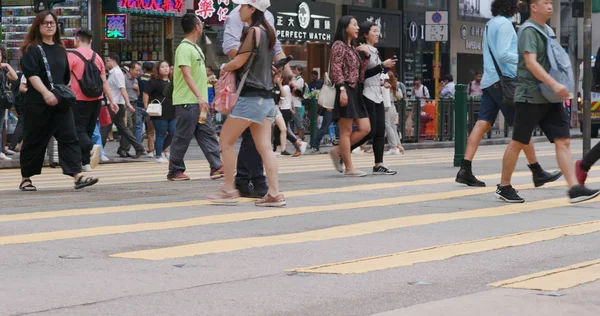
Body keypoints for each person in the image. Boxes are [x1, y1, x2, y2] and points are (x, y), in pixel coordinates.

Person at [496, 0, 599, 203]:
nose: (550, 6)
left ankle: (574, 188)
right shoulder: (528, 31)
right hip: (530, 96)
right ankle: (504, 186)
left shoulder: (546, 29)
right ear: (534, 7)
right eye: (546, 3)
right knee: (518, 142)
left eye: (551, 3)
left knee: (563, 140)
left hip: (549, 97)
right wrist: (554, 84)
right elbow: (530, 62)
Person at [456, 0, 560, 189]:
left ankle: (465, 168)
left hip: (491, 80)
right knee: (523, 126)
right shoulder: (504, 24)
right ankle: (537, 171)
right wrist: (524, 59)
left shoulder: (491, 23)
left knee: (482, 124)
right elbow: (503, 54)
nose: (520, 3)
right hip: (503, 82)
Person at [207, 0, 285, 207]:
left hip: (251, 97)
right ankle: (274, 193)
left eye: (242, 6)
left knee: (225, 141)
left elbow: (239, 61)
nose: (239, 9)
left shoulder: (254, 32)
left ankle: (228, 189)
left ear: (252, 9)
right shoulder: (268, 31)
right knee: (265, 147)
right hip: (267, 97)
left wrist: (223, 67)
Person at [18, 11, 98, 191]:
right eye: (45, 23)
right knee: (34, 140)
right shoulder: (32, 49)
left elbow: (64, 77)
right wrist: (46, 93)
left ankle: (77, 175)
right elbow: (31, 74)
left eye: (52, 23)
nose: (49, 25)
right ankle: (26, 178)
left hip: (60, 102)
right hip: (38, 103)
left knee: (69, 136)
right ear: (38, 26)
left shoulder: (61, 49)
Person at [168, 13, 223, 181]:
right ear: (196, 27)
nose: (202, 25)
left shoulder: (196, 48)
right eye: (201, 23)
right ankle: (175, 170)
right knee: (183, 136)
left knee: (207, 134)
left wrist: (207, 80)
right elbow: (186, 75)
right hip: (188, 101)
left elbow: (195, 75)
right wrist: (200, 96)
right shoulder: (183, 48)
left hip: (199, 102)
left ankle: (217, 166)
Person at [327, 15, 372, 177]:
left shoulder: (353, 48)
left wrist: (366, 57)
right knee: (345, 131)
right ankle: (349, 168)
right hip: (344, 88)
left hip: (355, 90)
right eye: (354, 24)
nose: (357, 27)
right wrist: (341, 89)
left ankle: (337, 151)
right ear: (345, 27)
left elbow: (360, 75)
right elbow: (336, 69)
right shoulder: (338, 46)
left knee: (365, 128)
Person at [68, 29, 116, 172]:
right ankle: (85, 163)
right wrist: (112, 101)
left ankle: (91, 147)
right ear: (91, 41)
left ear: (77, 40)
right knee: (88, 130)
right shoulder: (98, 58)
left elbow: (65, 78)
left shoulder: (71, 56)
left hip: (78, 99)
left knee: (77, 130)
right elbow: (104, 82)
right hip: (96, 100)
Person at [353, 20, 397, 175]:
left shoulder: (375, 51)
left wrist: (384, 70)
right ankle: (343, 151)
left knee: (380, 131)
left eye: (378, 31)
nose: (377, 34)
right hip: (367, 93)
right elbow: (362, 75)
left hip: (378, 93)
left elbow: (377, 72)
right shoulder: (361, 50)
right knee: (370, 131)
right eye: (374, 31)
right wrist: (382, 66)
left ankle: (379, 164)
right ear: (365, 34)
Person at [105, 53, 146, 158]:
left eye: (107, 60)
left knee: (106, 128)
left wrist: (127, 104)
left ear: (113, 61)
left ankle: (98, 152)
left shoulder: (117, 73)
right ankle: (138, 147)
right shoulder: (116, 73)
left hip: (115, 104)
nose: (106, 63)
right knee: (124, 128)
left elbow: (122, 89)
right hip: (117, 104)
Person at [143, 61, 175, 163]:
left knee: (173, 132)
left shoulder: (172, 81)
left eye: (167, 66)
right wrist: (146, 107)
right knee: (160, 133)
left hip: (172, 111)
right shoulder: (154, 81)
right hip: (159, 111)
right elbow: (146, 94)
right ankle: (158, 155)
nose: (165, 68)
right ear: (158, 69)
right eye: (162, 67)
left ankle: (160, 150)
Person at [0, 46, 18, 161]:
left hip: (1, 101)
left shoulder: (3, 70)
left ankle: (1, 151)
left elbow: (15, 77)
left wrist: (7, 65)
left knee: (1, 126)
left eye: (0, 55)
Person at [121, 61, 141, 157]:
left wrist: (137, 89)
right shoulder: (124, 79)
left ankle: (125, 149)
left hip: (134, 104)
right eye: (137, 70)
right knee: (128, 127)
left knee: (133, 128)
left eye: (139, 71)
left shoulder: (135, 80)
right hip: (126, 105)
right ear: (131, 69)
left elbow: (137, 94)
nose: (138, 72)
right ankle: (122, 149)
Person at [383, 71, 405, 155]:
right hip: (393, 107)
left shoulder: (386, 86)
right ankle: (399, 145)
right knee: (393, 127)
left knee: (388, 126)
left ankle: (394, 147)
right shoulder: (395, 86)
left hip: (386, 107)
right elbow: (400, 96)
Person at [137, 62, 154, 156]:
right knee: (151, 130)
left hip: (139, 104)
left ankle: (139, 148)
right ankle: (151, 149)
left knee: (138, 127)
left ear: (144, 69)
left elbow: (137, 90)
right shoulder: (153, 79)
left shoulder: (139, 78)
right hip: (150, 106)